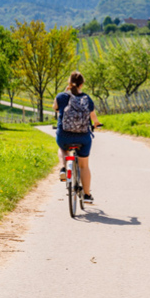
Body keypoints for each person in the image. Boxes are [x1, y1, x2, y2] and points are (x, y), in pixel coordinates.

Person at [53, 70, 102, 204]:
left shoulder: (61, 97)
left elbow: (55, 108)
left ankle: (64, 168)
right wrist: (96, 124)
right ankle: (86, 195)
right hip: (83, 138)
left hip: (64, 136)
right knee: (84, 166)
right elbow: (94, 119)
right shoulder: (87, 99)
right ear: (82, 84)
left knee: (62, 148)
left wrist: (64, 92)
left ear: (69, 83)